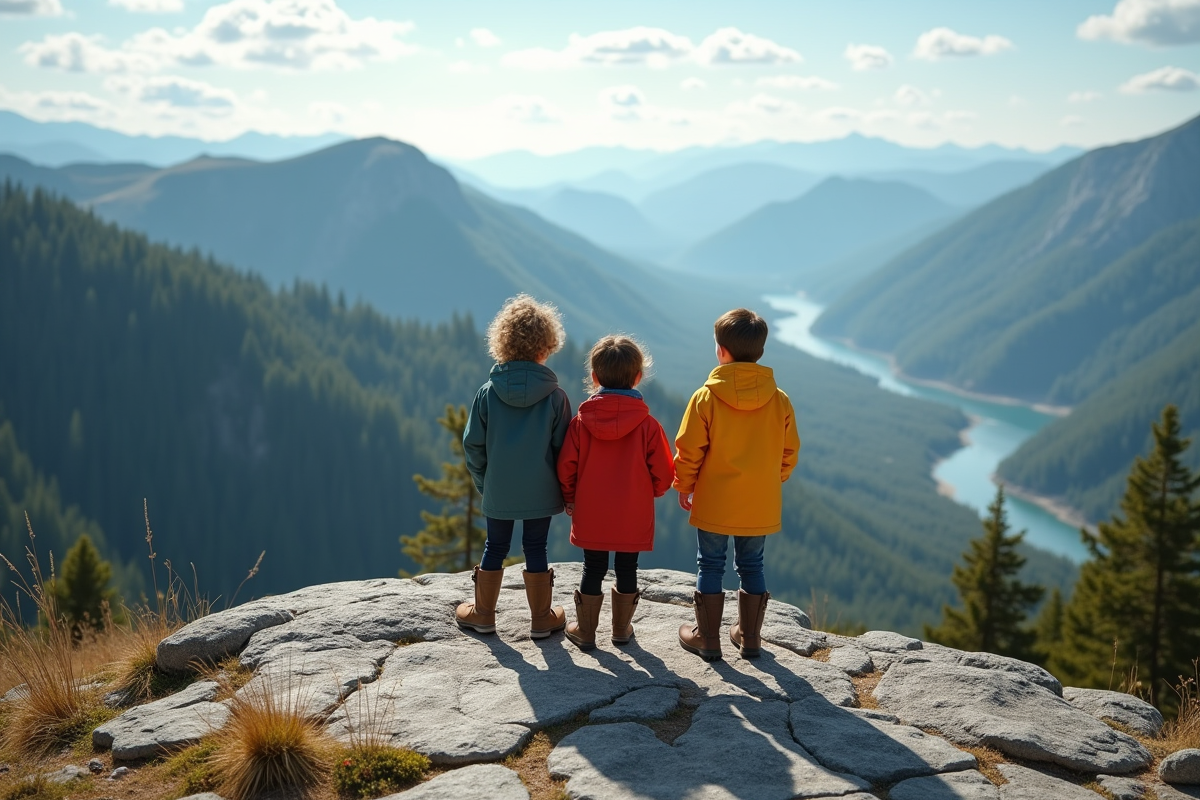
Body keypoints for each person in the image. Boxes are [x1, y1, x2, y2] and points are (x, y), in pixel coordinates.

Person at [673, 308, 800, 661]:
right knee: (753, 565)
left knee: (710, 565)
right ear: (760, 351)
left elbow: (689, 449)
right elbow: (789, 451)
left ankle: (707, 638)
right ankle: (750, 638)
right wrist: (772, 480)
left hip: (714, 498)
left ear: (721, 351)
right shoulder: (780, 399)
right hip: (759, 500)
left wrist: (684, 484)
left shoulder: (706, 397)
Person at [457, 295, 572, 639]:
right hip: (541, 490)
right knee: (536, 547)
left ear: (503, 341)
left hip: (500, 488)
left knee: (496, 546)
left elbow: (472, 445)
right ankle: (541, 619)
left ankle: (483, 615)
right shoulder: (556, 397)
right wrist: (564, 490)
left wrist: (485, 482)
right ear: (546, 346)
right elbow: (564, 451)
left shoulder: (487, 393)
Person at [557, 336, 674, 650]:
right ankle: (621, 631)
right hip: (632, 512)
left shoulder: (581, 423)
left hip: (591, 512)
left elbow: (566, 466)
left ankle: (585, 631)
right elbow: (664, 473)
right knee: (627, 568)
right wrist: (649, 493)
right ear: (638, 377)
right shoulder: (648, 426)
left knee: (592, 567)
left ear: (594, 377)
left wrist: (570, 496)